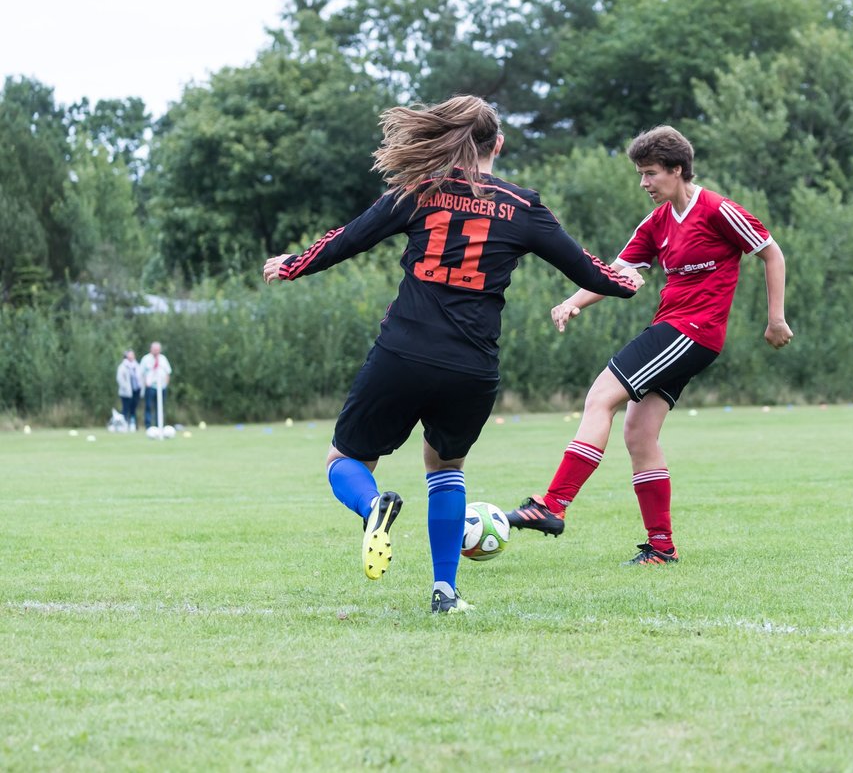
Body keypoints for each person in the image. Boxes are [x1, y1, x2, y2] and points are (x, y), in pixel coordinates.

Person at [262, 95, 642, 614]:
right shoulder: (523, 206)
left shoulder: (421, 191)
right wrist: (628, 279)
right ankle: (445, 591)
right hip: (472, 367)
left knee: (345, 460)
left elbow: (346, 240)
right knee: (446, 468)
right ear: (498, 145)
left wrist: (290, 265)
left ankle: (373, 505)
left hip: (403, 352)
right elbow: (592, 272)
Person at [506, 125, 793, 565]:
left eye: (651, 173)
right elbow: (618, 273)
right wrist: (574, 301)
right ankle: (661, 547)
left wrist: (776, 319)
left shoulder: (718, 210)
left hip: (691, 331)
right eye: (641, 174)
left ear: (678, 170)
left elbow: (771, 252)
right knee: (639, 434)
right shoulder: (656, 222)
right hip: (677, 330)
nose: (644, 183)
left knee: (600, 397)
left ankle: (552, 504)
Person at [139, 342, 172, 430]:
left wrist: (166, 384)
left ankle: (159, 425)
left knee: (160, 407)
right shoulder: (146, 359)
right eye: (154, 349)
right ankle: (149, 426)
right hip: (150, 387)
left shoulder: (163, 359)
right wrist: (145, 383)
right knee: (149, 406)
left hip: (162, 387)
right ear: (151, 349)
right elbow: (141, 373)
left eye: (158, 349)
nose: (156, 351)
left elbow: (168, 372)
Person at [115, 349, 142, 431]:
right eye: (130, 355)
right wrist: (125, 387)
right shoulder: (122, 366)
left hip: (136, 390)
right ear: (126, 356)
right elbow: (120, 379)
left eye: (132, 355)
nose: (131, 356)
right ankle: (123, 425)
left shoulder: (137, 365)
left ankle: (133, 425)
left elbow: (140, 377)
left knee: (133, 409)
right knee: (125, 408)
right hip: (126, 392)